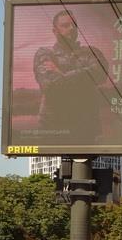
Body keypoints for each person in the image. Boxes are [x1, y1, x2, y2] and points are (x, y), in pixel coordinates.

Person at [33, 10, 109, 142]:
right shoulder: (45, 53)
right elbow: (50, 86)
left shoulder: (92, 52)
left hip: (86, 129)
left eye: (74, 25)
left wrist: (62, 74)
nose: (71, 28)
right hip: (53, 129)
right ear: (55, 31)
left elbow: (100, 74)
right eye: (65, 25)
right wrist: (83, 77)